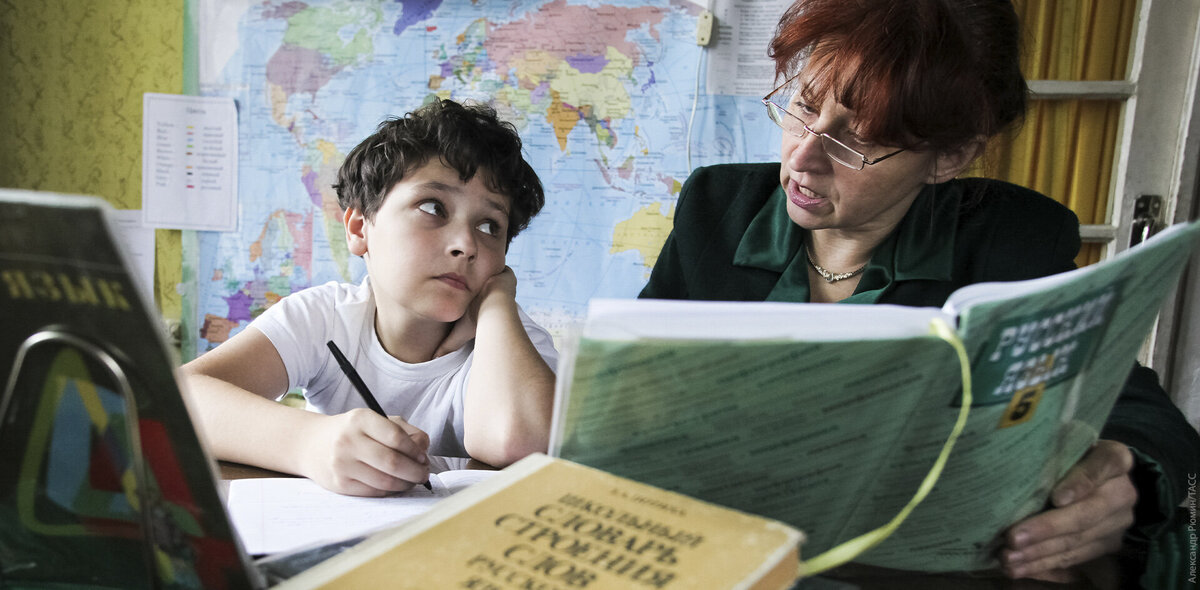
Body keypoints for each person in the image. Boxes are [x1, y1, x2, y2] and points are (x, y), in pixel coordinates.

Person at [640, 0, 1200, 584]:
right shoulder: (716, 212)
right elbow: (635, 384)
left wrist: (1125, 472)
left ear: (949, 156)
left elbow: (1148, 418)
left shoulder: (1011, 245)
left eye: (858, 140)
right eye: (803, 108)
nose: (804, 156)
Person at [181, 99, 557, 496]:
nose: (466, 244)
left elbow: (518, 443)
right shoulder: (325, 317)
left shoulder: (515, 341)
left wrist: (497, 304)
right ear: (359, 228)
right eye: (433, 207)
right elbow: (179, 400)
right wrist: (310, 442)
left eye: (490, 226)